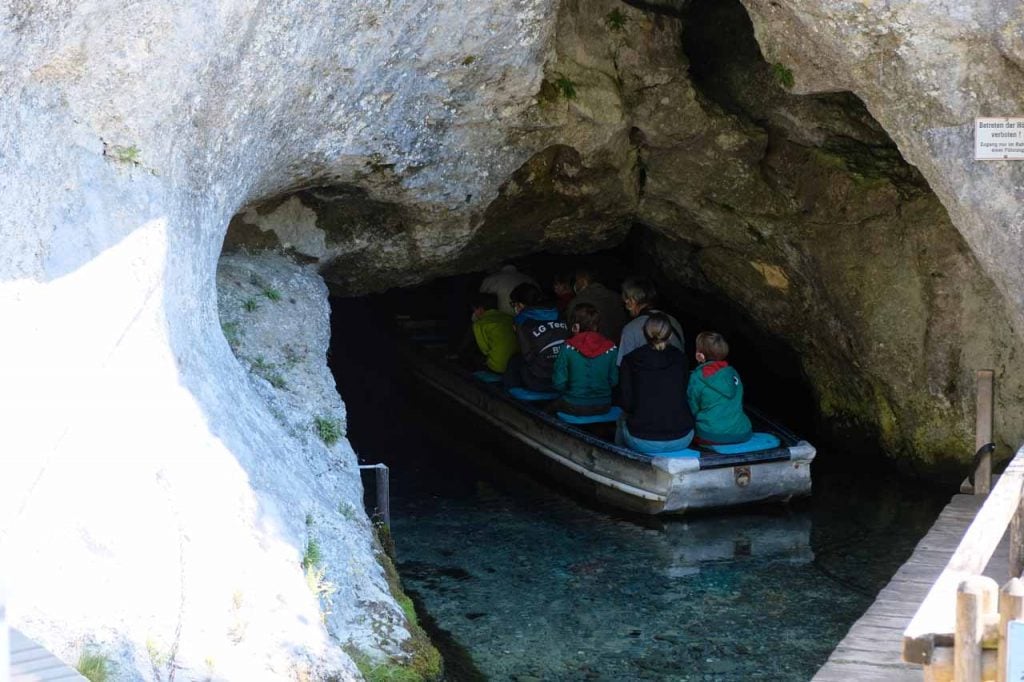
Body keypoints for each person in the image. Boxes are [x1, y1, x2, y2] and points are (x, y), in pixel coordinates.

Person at [616, 313, 695, 453]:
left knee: (621, 419)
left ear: (644, 334)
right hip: (682, 437)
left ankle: (618, 461)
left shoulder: (630, 360)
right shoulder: (682, 359)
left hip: (642, 439)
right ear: (670, 335)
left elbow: (626, 403)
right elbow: (685, 393)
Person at [549, 303, 619, 416]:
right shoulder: (611, 348)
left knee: (549, 409)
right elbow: (614, 381)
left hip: (573, 405)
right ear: (596, 326)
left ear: (575, 326)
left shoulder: (567, 347)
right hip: (604, 406)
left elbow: (559, 383)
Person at [687, 331, 753, 444]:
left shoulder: (697, 377)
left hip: (710, 435)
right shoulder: (733, 373)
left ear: (700, 356)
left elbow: (692, 408)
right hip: (742, 432)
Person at [502, 283, 570, 391]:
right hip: (565, 375)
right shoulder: (559, 313)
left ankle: (509, 399)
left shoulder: (521, 320)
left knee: (514, 361)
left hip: (540, 379)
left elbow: (527, 355)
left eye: (513, 304)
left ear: (520, 304)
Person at [617, 277, 684, 365]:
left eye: (626, 301)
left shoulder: (630, 330)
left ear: (632, 301)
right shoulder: (674, 322)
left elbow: (622, 366)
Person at [566, 267, 628, 343]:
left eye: (577, 280)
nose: (575, 284)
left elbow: (571, 330)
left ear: (583, 281)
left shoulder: (577, 302)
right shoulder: (616, 297)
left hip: (587, 349)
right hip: (614, 348)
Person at [469, 293, 517, 373]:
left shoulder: (479, 324)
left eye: (474, 310)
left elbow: (485, 350)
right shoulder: (509, 317)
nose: (474, 314)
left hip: (499, 367)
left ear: (480, 309)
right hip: (516, 363)